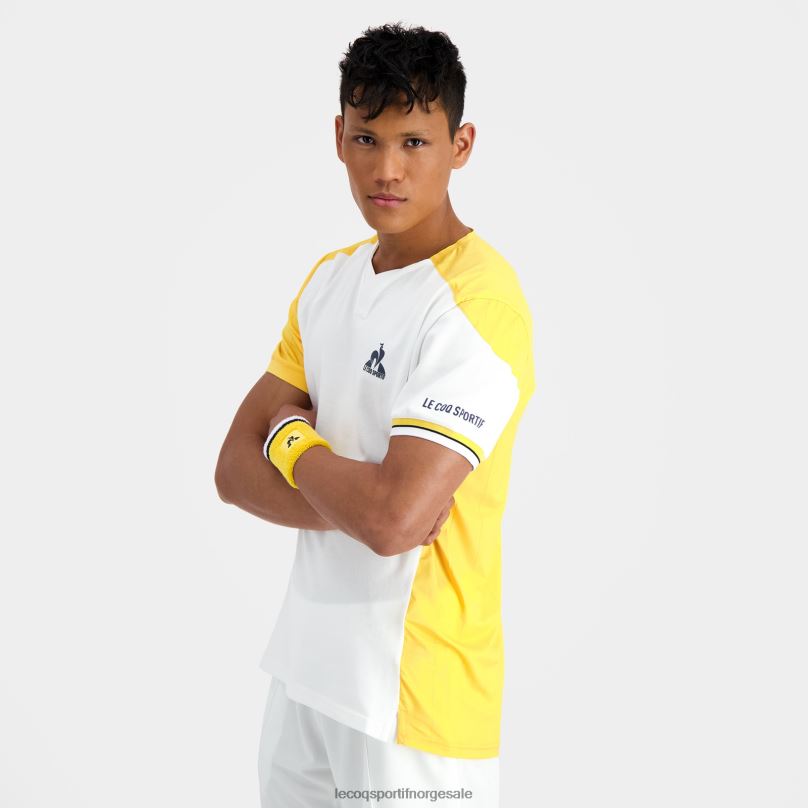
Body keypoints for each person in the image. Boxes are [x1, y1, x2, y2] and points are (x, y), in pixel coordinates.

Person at [215, 21, 536, 808]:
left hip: (413, 702)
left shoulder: (478, 306)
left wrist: (291, 441)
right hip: (304, 680)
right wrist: (358, 501)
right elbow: (232, 470)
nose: (386, 169)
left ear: (461, 145)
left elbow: (392, 521)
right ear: (339, 137)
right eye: (367, 138)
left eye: (414, 142)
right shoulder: (330, 280)